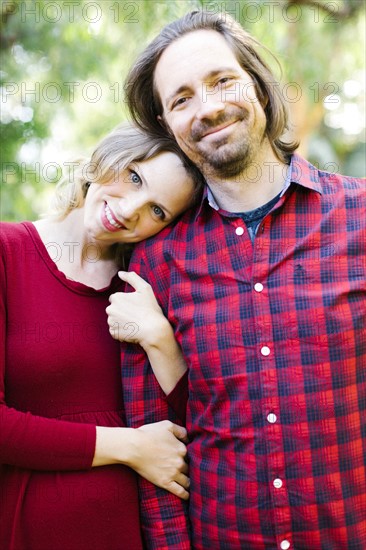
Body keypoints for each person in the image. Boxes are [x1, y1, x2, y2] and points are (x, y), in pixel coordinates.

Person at [107, 9, 366, 550]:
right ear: (169, 128)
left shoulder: (358, 218)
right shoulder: (154, 266)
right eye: (181, 99)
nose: (209, 107)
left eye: (222, 80)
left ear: (260, 88)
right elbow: (157, 456)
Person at [0, 123, 204, 550]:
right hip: (28, 530)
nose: (131, 210)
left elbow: (197, 428)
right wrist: (131, 446)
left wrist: (160, 339)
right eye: (134, 177)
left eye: (157, 211)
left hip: (137, 533)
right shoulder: (7, 252)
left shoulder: (150, 291)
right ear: (111, 153)